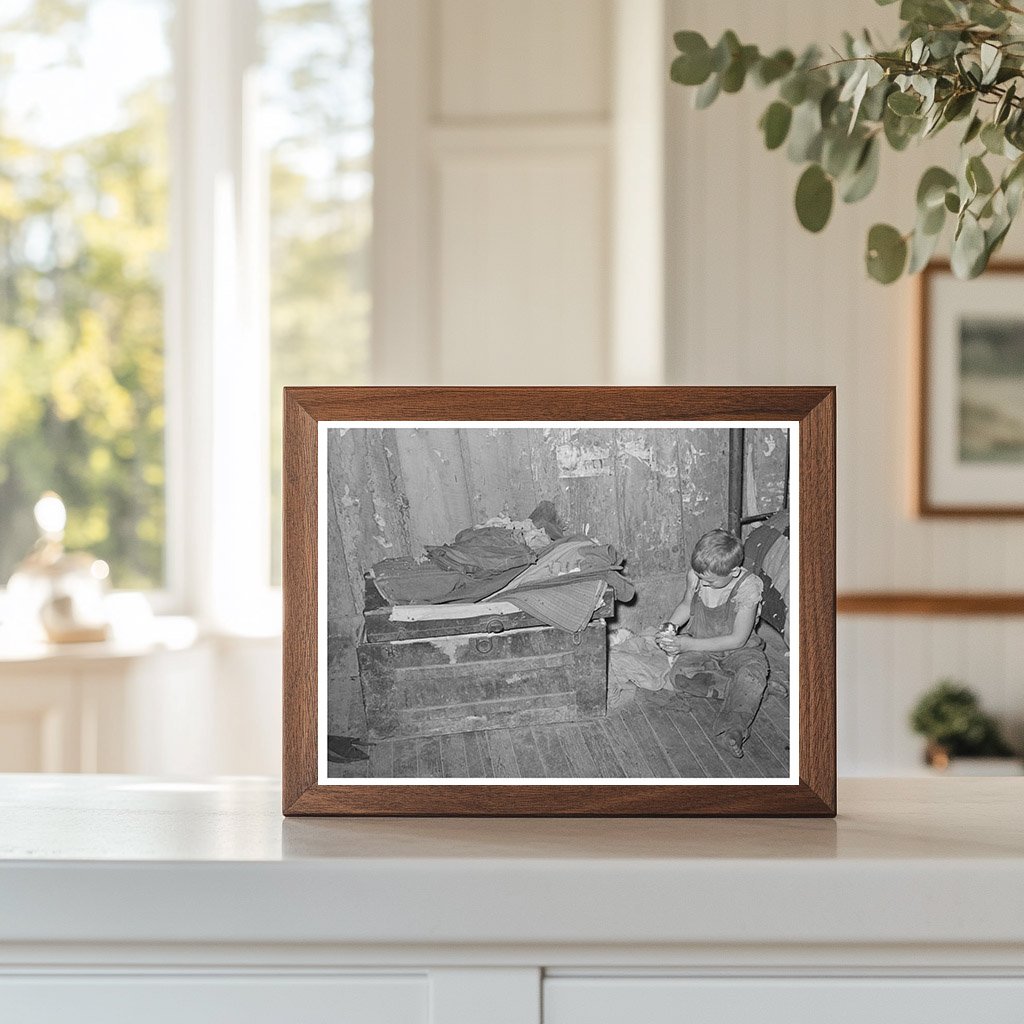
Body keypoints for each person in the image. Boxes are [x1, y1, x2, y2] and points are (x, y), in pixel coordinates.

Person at [607, 528, 768, 760]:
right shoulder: (697, 575)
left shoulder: (748, 587)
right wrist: (670, 627)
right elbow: (686, 605)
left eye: (710, 581)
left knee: (751, 671)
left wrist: (686, 646)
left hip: (741, 650)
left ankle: (732, 729)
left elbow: (738, 639)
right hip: (701, 645)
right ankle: (750, 690)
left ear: (733, 572)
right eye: (700, 577)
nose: (703, 582)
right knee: (679, 677)